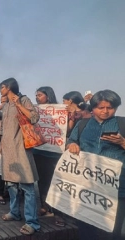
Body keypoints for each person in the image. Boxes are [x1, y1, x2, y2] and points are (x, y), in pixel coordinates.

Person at [66, 89, 125, 240]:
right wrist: (72, 145)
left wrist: (123, 142)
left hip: (116, 188)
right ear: (92, 108)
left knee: (113, 229)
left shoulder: (122, 123)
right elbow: (71, 141)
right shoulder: (82, 124)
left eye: (110, 108)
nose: (105, 111)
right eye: (101, 108)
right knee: (86, 226)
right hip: (87, 186)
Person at [0, 77, 40, 235]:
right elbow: (2, 127)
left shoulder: (24, 99)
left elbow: (34, 118)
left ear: (8, 87)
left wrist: (19, 104)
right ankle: (14, 212)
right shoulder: (5, 105)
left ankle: (32, 222)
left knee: (27, 186)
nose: (0, 90)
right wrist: (0, 143)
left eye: (1, 87)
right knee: (12, 185)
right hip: (7, 150)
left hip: (21, 149)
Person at [33, 86, 66, 225]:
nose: (37, 97)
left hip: (54, 153)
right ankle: (44, 206)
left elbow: (67, 128)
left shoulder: (60, 110)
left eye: (40, 95)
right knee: (42, 181)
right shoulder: (34, 110)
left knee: (56, 183)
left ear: (48, 96)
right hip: (38, 151)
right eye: (36, 95)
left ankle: (58, 213)